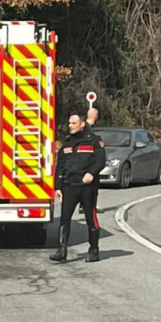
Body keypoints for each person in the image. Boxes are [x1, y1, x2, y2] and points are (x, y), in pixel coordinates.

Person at [52, 112, 106, 263]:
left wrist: (91, 173)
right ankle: (61, 251)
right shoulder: (68, 142)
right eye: (69, 123)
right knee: (64, 218)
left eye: (73, 123)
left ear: (82, 124)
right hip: (70, 185)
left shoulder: (94, 140)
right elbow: (61, 166)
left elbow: (100, 161)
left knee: (90, 218)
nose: (70, 126)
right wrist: (58, 186)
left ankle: (94, 250)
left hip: (87, 186)